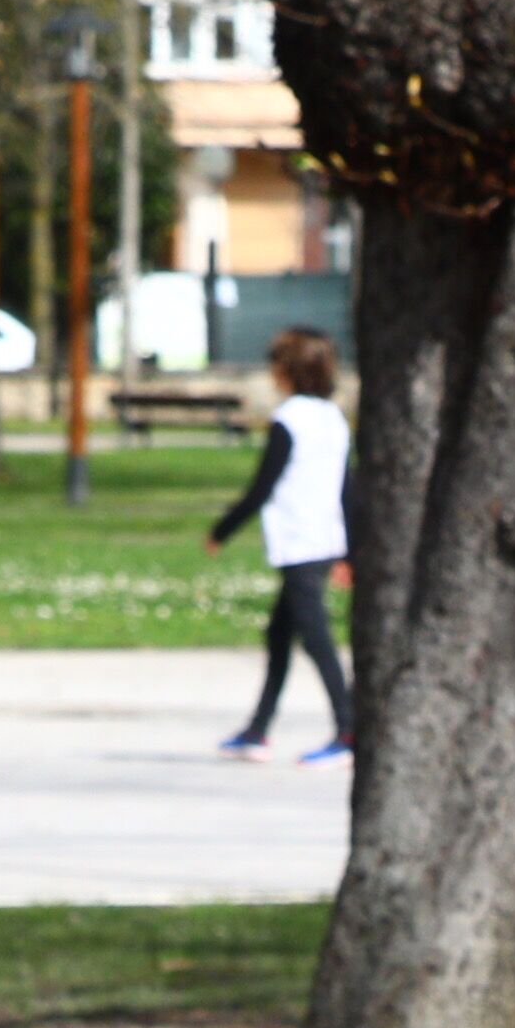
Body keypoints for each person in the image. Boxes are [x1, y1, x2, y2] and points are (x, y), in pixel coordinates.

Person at [207, 324, 353, 761]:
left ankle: (348, 732)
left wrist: (222, 530)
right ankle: (257, 730)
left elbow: (262, 487)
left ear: (288, 371)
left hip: (300, 541)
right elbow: (346, 488)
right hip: (324, 537)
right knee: (279, 634)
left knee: (316, 638)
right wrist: (348, 550)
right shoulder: (333, 418)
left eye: (275, 364)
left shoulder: (289, 421)